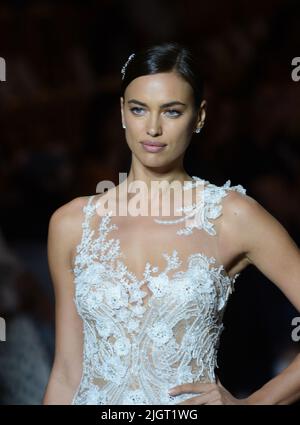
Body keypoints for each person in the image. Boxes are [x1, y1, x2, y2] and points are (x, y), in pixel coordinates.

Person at [43, 42, 300, 405]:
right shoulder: (72, 224)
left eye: (172, 111)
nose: (152, 128)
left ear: (200, 117)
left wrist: (253, 404)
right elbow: (67, 373)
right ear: (121, 113)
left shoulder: (230, 216)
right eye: (138, 109)